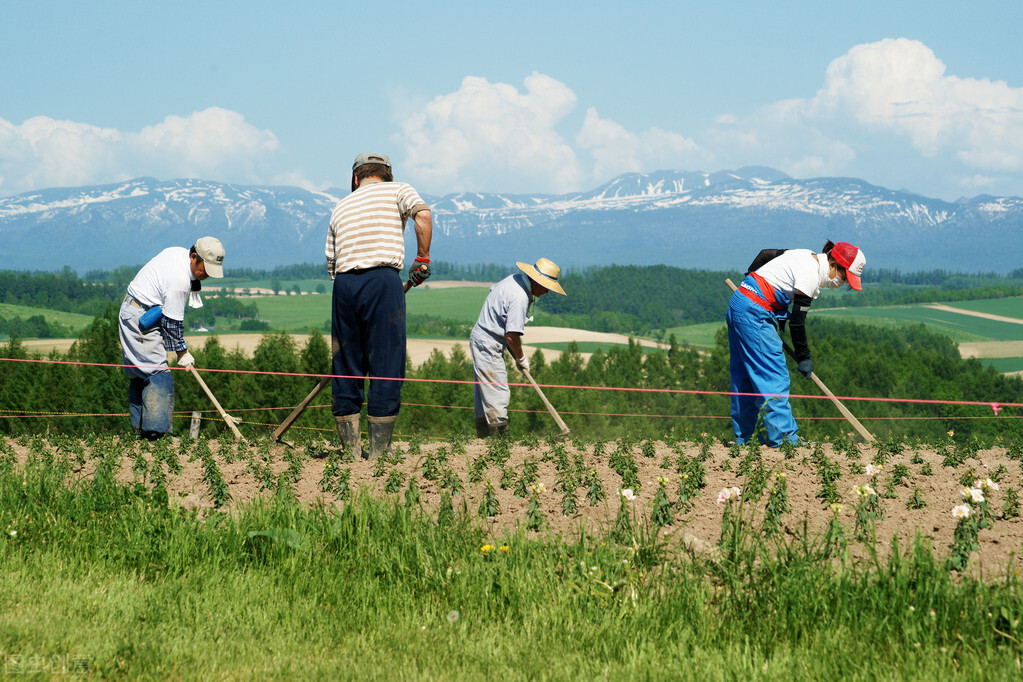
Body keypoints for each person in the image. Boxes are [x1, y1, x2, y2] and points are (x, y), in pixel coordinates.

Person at [326, 153, 433, 459]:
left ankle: (350, 451)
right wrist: (422, 258)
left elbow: (332, 262)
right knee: (386, 363)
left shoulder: (340, 206)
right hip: (383, 281)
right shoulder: (399, 190)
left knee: (346, 365)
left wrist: (354, 286)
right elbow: (423, 216)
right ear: (388, 175)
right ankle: (379, 452)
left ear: (355, 178)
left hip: (344, 285)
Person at [726, 240, 865, 447]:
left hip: (740, 303)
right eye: (844, 277)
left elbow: (764, 254)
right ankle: (784, 440)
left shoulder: (803, 254)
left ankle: (745, 438)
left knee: (744, 376)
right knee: (773, 376)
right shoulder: (810, 276)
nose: (842, 283)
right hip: (754, 313)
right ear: (833, 264)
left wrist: (749, 282)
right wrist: (804, 358)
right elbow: (797, 323)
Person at [118, 237, 225, 440]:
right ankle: (157, 436)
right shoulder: (179, 281)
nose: (207, 275)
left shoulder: (178, 253)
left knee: (141, 373)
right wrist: (182, 353)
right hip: (142, 317)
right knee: (158, 373)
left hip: (134, 310)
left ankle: (141, 433)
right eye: (206, 269)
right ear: (194, 257)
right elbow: (173, 323)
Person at [470, 258, 566, 437]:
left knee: (485, 393)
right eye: (546, 287)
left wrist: (515, 355)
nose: (546, 292)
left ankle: (482, 439)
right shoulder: (520, 297)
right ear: (536, 281)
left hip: (484, 337)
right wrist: (521, 358)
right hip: (488, 341)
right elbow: (512, 336)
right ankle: (499, 440)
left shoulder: (514, 279)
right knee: (498, 392)